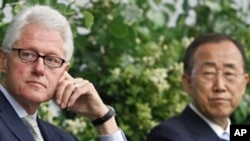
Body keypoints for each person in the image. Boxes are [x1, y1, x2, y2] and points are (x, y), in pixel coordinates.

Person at [0, 5, 127, 141]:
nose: (39, 69)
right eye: (28, 55)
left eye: (51, 60)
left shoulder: (62, 138)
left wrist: (103, 118)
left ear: (64, 72)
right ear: (3, 60)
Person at [147, 33, 249, 141]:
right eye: (209, 73)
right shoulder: (169, 136)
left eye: (229, 74)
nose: (220, 86)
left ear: (244, 83)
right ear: (188, 83)